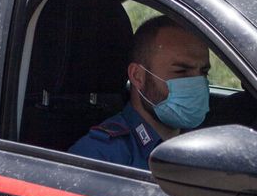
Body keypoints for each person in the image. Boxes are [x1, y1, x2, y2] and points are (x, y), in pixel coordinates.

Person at [69, 15, 210, 168]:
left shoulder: (207, 144)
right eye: (181, 71)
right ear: (138, 77)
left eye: (204, 72)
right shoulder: (100, 155)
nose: (197, 83)